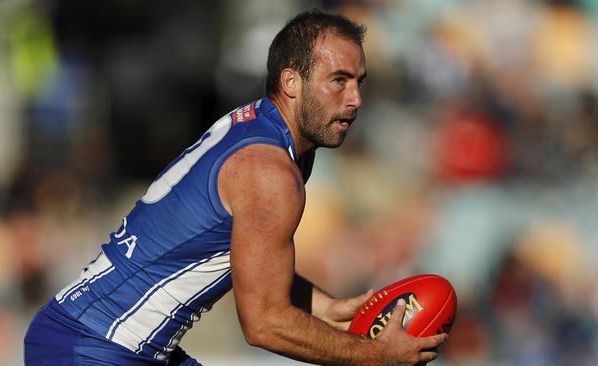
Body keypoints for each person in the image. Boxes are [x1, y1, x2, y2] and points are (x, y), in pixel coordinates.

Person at [24, 9, 447, 365]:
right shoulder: (271, 173)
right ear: (291, 83)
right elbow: (263, 324)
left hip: (101, 339)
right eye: (338, 80)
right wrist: (376, 355)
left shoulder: (271, 133)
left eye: (359, 81)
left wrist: (327, 307)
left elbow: (254, 257)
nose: (355, 99)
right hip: (94, 347)